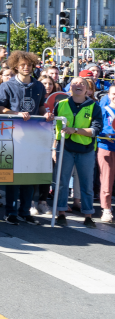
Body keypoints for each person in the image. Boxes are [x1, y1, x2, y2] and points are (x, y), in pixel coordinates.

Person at [0, 51, 54, 225]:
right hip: (12, 135)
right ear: (15, 66)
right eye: (22, 65)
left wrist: (47, 114)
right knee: (13, 176)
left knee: (29, 175)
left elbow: (41, 107)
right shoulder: (7, 86)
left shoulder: (38, 86)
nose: (26, 67)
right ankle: (11, 211)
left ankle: (25, 210)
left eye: (29, 64)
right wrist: (16, 113)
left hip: (33, 136)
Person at [52, 77, 101, 228]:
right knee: (62, 183)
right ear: (70, 88)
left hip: (85, 150)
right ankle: (61, 213)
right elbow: (54, 129)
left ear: (87, 89)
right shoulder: (60, 104)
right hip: (65, 148)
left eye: (82, 84)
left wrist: (75, 130)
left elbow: (95, 130)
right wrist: (54, 148)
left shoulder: (94, 106)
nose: (78, 86)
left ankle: (88, 215)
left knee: (86, 185)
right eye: (74, 83)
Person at [99, 85, 115, 223]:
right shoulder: (103, 110)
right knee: (107, 179)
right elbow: (97, 127)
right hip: (106, 146)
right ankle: (106, 209)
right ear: (109, 95)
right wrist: (105, 134)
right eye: (113, 93)